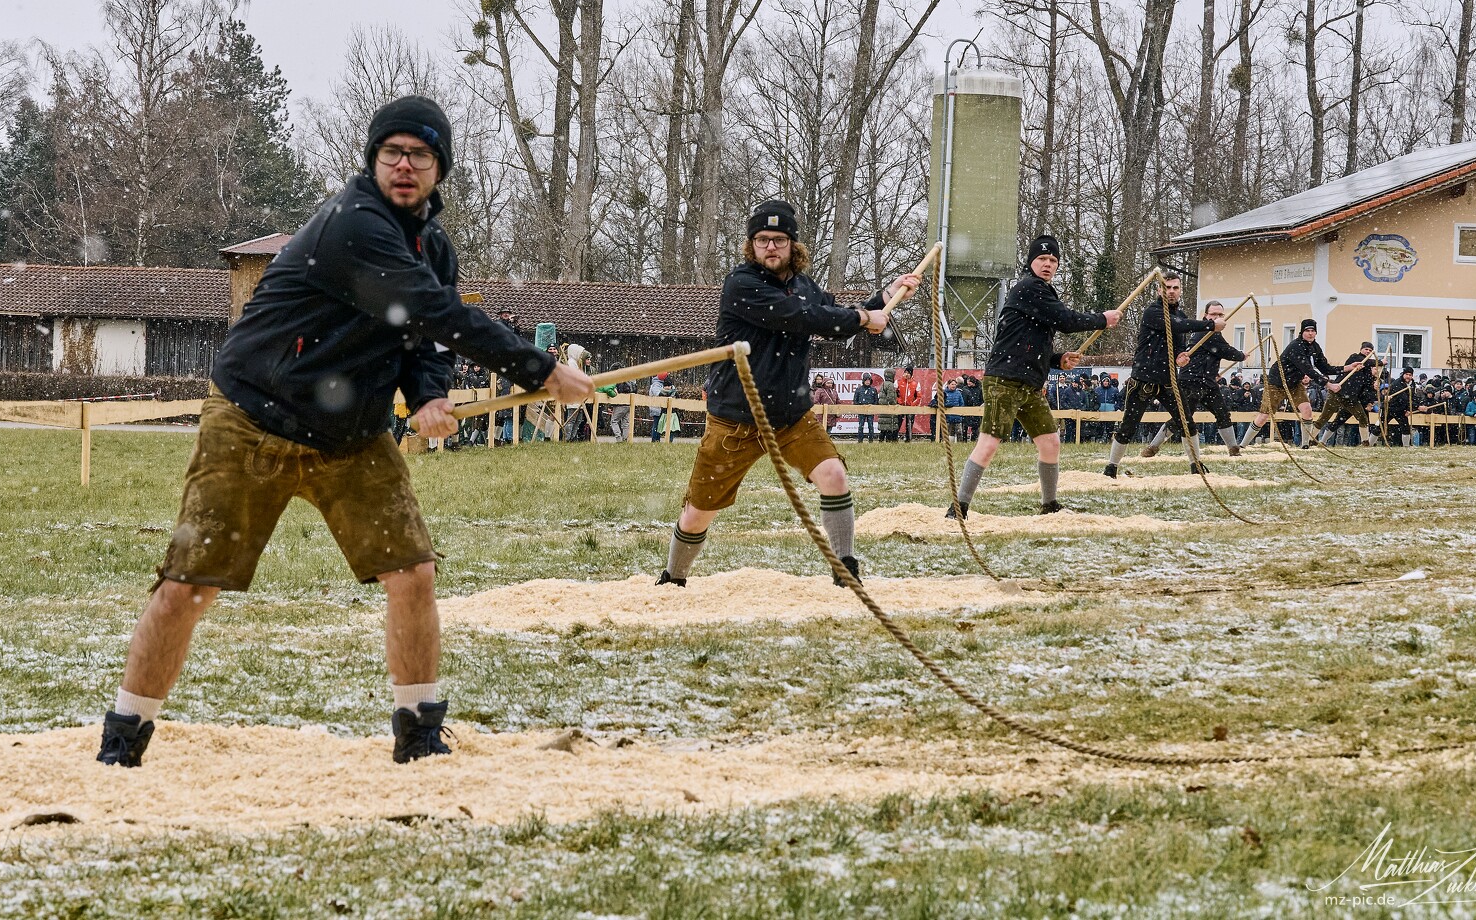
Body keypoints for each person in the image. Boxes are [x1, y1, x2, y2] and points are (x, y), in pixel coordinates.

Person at [95, 96, 594, 768]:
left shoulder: (433, 246)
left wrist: (429, 395)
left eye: (420, 154)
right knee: (189, 585)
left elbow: (423, 336)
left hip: (353, 437)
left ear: (439, 167)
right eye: (393, 152)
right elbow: (429, 308)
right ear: (374, 160)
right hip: (253, 420)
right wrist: (539, 369)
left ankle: (419, 732)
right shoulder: (352, 223)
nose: (405, 165)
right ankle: (124, 737)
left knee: (412, 572)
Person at [656, 201, 919, 588]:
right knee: (700, 510)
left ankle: (844, 569)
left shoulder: (804, 286)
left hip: (791, 415)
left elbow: (833, 319)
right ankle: (673, 578)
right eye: (762, 240)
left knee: (833, 474)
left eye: (778, 240)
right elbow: (799, 316)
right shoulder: (741, 284)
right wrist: (864, 318)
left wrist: (882, 298)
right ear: (752, 245)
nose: (770, 247)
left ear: (793, 245)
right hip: (736, 418)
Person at [946, 235, 1120, 518]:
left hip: (1030, 384)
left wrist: (1057, 359)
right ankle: (958, 507)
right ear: (1031, 263)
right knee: (989, 443)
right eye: (1042, 259)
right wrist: (1102, 319)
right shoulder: (1030, 288)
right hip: (1005, 380)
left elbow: (1034, 342)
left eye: (1053, 260)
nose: (1048, 264)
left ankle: (1049, 505)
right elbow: (1066, 320)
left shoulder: (1043, 294)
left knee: (1050, 441)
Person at [1105, 272, 1222, 477]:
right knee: (1128, 426)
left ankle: (1196, 464)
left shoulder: (1181, 315)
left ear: (1180, 290)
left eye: (1175, 288)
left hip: (1168, 380)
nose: (1171, 291)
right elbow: (1176, 326)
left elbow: (1178, 345)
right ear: (1159, 289)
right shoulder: (1152, 312)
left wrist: (1180, 357)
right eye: (1167, 287)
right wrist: (1210, 325)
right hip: (1143, 379)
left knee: (1186, 421)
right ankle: (1111, 466)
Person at [1140, 298, 1247, 458]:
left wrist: (1212, 371)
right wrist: (1242, 356)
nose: (1217, 317)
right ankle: (1152, 448)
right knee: (1181, 419)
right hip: (1191, 383)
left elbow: (1211, 354)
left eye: (1220, 314)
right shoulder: (1207, 332)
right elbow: (1226, 351)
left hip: (1207, 383)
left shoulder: (1212, 333)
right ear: (1205, 316)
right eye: (1213, 314)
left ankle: (1234, 449)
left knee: (1222, 414)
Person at [1238, 318, 1358, 449]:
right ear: (1302, 332)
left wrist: (1347, 367)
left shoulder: (1315, 347)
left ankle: (1305, 445)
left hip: (1294, 383)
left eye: (1313, 331)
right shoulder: (1295, 346)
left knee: (1307, 410)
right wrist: (1328, 385)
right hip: (1277, 383)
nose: (1310, 333)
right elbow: (1308, 370)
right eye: (1307, 330)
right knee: (1263, 416)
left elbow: (1325, 368)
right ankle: (1243, 445)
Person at [1315, 342, 1381, 446]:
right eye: (1366, 349)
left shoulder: (1368, 369)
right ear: (1361, 349)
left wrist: (1374, 387)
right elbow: (1365, 361)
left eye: (1370, 350)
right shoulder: (1354, 357)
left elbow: (1367, 386)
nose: (1367, 351)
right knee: (1325, 417)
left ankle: (1365, 443)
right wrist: (1380, 362)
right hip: (1339, 392)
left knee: (1363, 419)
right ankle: (1311, 440)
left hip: (1352, 398)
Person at [648, 372, 675, 441]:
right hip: (657, 408)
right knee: (656, 425)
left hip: (661, 408)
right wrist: (668, 391)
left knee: (660, 425)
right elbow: (658, 394)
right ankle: (655, 440)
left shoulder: (663, 383)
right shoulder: (656, 385)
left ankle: (658, 440)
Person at [853, 373, 880, 443]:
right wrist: (859, 407)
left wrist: (872, 407)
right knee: (861, 425)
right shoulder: (859, 389)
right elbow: (855, 400)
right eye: (866, 380)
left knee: (870, 426)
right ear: (863, 381)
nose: (867, 382)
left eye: (869, 380)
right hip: (861, 411)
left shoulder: (873, 390)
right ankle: (860, 440)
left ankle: (871, 440)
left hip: (870, 411)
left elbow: (876, 400)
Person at [876, 369, 901, 442]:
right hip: (889, 410)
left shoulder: (883, 384)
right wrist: (895, 404)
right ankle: (888, 442)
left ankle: (880, 441)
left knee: (883, 429)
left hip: (883, 409)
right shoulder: (890, 385)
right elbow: (890, 398)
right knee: (889, 428)